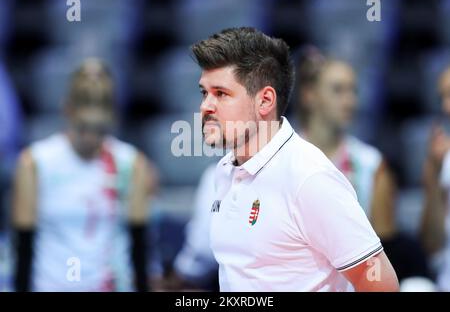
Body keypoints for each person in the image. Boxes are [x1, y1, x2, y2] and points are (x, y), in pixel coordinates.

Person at [192, 27, 398, 292]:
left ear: (265, 101)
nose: (205, 106)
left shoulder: (309, 177)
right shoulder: (224, 171)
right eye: (204, 92)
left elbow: (382, 284)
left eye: (221, 93)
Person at [11, 58, 157, 292]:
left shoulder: (132, 164)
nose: (91, 138)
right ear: (67, 110)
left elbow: (139, 249)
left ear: (113, 118)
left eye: (100, 130)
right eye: (82, 128)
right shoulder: (34, 163)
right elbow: (23, 249)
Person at [294, 47, 430, 282]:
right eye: (338, 90)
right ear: (309, 95)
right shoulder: (283, 158)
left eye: (353, 91)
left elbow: (384, 247)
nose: (350, 101)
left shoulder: (372, 164)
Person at [422, 65, 450, 291]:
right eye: (442, 96)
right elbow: (432, 244)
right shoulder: (442, 159)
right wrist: (433, 172)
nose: (445, 106)